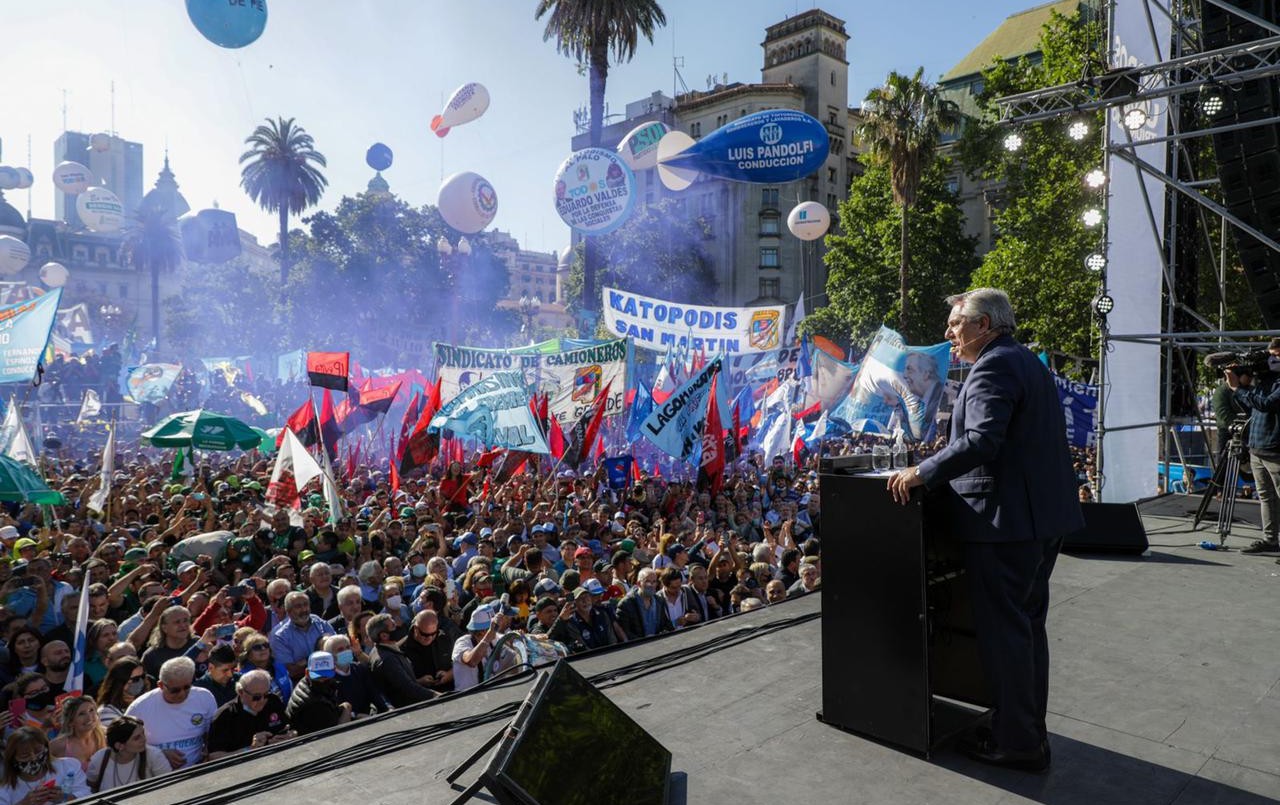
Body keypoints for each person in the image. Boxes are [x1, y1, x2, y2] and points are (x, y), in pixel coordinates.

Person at [888, 288, 1082, 773]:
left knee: (1006, 636)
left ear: (984, 325)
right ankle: (1027, 731)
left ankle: (1018, 743)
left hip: (1005, 522)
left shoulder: (994, 366)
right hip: (1038, 519)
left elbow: (981, 440)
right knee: (1026, 630)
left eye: (956, 323)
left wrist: (922, 472)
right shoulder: (1024, 360)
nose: (949, 333)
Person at [1225, 338, 1280, 554]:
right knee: (1265, 496)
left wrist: (1238, 388)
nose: (1272, 359)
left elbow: (1266, 404)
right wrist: (1243, 387)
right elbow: (1252, 406)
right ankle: (1270, 540)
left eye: (1276, 355)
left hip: (1275, 449)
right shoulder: (1265, 380)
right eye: (1271, 355)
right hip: (1258, 447)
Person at [123, 656, 218, 769]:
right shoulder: (139, 708)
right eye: (175, 690)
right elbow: (124, 748)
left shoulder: (204, 698)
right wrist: (159, 754)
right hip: (155, 776)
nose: (182, 694)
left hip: (197, 769)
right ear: (161, 685)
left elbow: (213, 735)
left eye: (187, 687)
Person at [206, 669, 293, 758]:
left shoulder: (273, 701)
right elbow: (214, 756)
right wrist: (250, 749)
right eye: (256, 697)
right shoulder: (225, 715)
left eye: (266, 694)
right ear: (241, 692)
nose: (262, 700)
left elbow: (290, 729)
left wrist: (288, 737)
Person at [0, 727, 90, 804]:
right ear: (13, 758)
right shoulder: (5, 788)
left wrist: (66, 797)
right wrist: (24, 803)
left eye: (38, 751)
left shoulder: (69, 767)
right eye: (25, 755)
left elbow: (88, 795)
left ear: (46, 748)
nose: (33, 758)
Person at [85, 715, 173, 793]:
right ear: (119, 746)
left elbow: (169, 789)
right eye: (137, 738)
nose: (144, 739)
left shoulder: (154, 756)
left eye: (143, 733)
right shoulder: (99, 759)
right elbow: (90, 790)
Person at [367, 613, 437, 707]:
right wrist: (437, 696)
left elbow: (397, 682)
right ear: (384, 636)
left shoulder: (385, 650)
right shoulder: (387, 659)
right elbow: (408, 688)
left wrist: (418, 681)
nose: (398, 626)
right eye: (393, 626)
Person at [269, 592, 335, 682]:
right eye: (298, 606)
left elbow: (337, 650)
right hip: (302, 682)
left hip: (332, 676)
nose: (304, 609)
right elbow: (290, 671)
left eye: (306, 604)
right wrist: (318, 658)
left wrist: (304, 662)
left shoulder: (320, 623)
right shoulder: (280, 636)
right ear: (288, 611)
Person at [284, 651, 352, 735]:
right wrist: (346, 708)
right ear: (307, 673)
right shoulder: (315, 705)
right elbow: (337, 736)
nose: (322, 680)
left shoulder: (306, 682)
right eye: (318, 676)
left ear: (334, 670)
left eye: (326, 675)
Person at [48, 696, 104, 772]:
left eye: (91, 710)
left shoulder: (105, 736)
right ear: (71, 722)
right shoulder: (59, 744)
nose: (89, 717)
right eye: (81, 714)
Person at [95, 658, 147, 728]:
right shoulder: (106, 713)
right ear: (119, 682)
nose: (140, 682)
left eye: (142, 677)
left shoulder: (145, 704)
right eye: (135, 679)